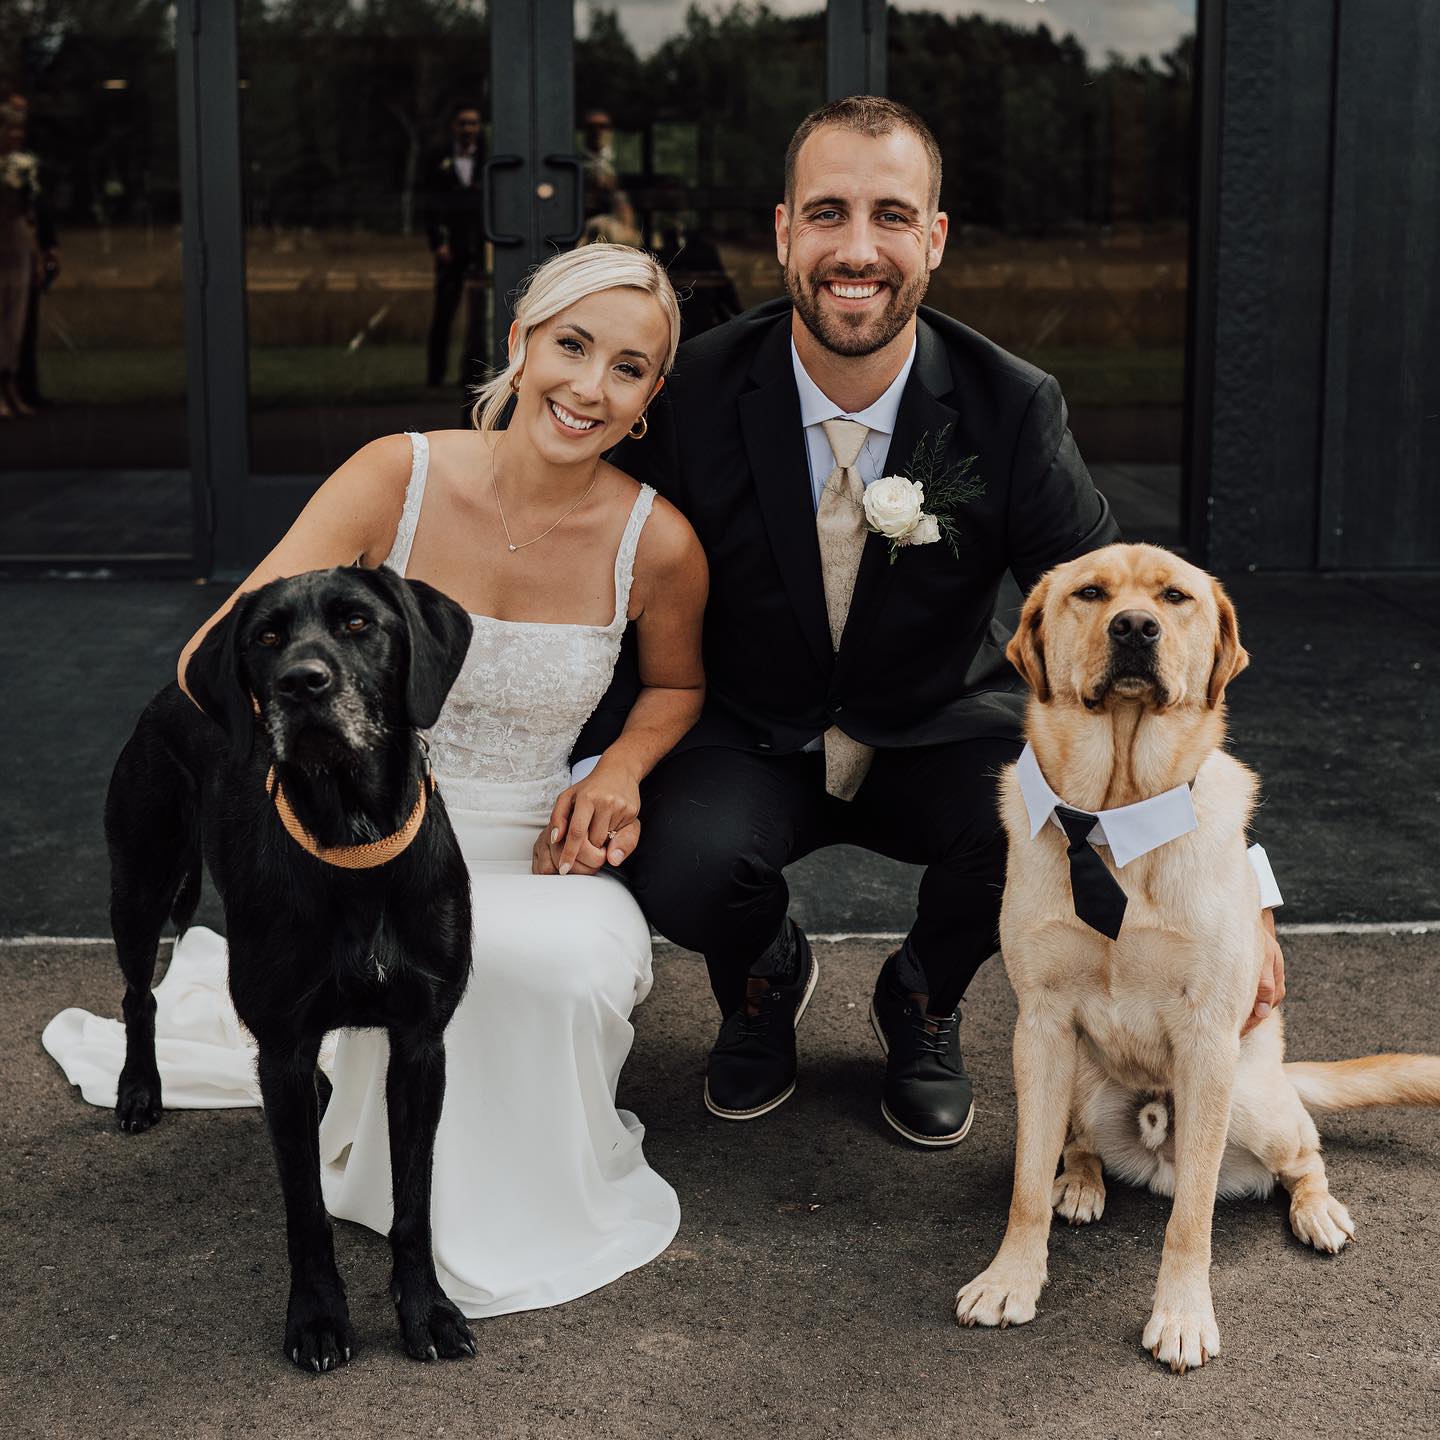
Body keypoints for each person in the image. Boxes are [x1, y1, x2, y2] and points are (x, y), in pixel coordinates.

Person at [568, 97, 1287, 1148]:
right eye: (828, 214)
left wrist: (1246, 889)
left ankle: (920, 994)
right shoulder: (694, 393)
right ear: (783, 232)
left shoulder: (1012, 406)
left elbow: (1140, 629)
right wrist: (603, 768)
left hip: (937, 727)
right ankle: (764, 973)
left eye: (892, 217)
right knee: (677, 862)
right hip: (747, 730)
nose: (858, 251)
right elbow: (602, 595)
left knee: (1044, 826)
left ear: (935, 238)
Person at [43, 243, 710, 1318]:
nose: (591, 386)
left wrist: (621, 771)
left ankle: (520, 1208)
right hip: (354, 831)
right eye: (572, 346)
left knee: (553, 969)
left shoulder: (659, 541)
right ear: (520, 345)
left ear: (650, 398)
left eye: (627, 368)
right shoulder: (396, 475)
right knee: (375, 981)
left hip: (537, 844)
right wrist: (281, 767)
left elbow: (678, 686)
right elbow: (224, 646)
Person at [423, 101, 487, 389]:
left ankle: (473, 372)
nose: (468, 129)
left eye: (473, 123)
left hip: (480, 244)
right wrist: (438, 243)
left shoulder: (488, 159)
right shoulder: (438, 159)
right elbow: (429, 204)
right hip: (451, 245)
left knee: (480, 312)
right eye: (463, 123)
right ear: (454, 127)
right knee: (444, 311)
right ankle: (435, 376)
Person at [0, 97, 39, 419]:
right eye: (10, 128)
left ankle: (11, 386)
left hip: (17, 241)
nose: (16, 135)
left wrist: (38, 253)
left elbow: (30, 211)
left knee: (15, 320)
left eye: (19, 129)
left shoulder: (23, 166)